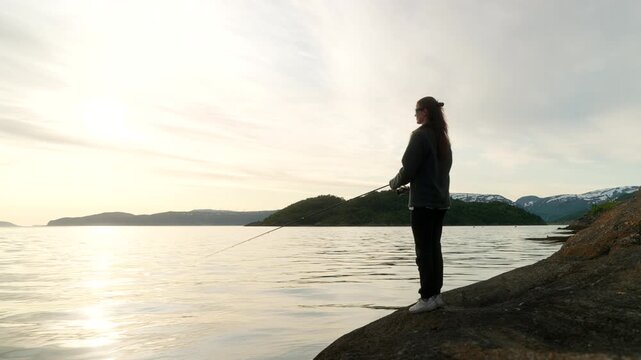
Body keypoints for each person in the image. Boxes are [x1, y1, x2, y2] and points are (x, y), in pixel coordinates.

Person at [389, 96, 452, 314]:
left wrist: (394, 184)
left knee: (423, 251)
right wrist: (412, 188)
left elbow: (408, 169)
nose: (415, 115)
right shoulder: (442, 138)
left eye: (416, 111)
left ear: (425, 112)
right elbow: (435, 173)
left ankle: (426, 298)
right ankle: (436, 296)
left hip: (423, 204)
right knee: (434, 248)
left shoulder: (420, 136)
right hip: (440, 203)